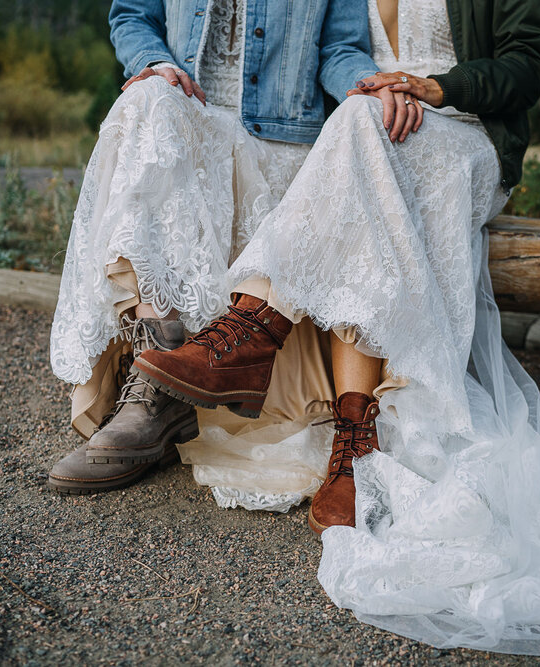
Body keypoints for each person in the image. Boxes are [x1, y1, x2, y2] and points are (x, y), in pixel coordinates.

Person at [130, 0, 540, 655]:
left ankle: (254, 329)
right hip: (369, 131)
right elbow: (333, 56)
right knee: (358, 136)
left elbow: (526, 67)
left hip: (463, 136)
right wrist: (369, 91)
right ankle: (350, 442)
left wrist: (437, 88)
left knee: (360, 137)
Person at [47, 0, 424, 493]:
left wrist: (370, 87)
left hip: (280, 143)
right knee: (145, 100)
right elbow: (132, 15)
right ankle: (154, 391)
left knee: (158, 112)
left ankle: (175, 386)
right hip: (191, 124)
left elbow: (340, 49)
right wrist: (155, 63)